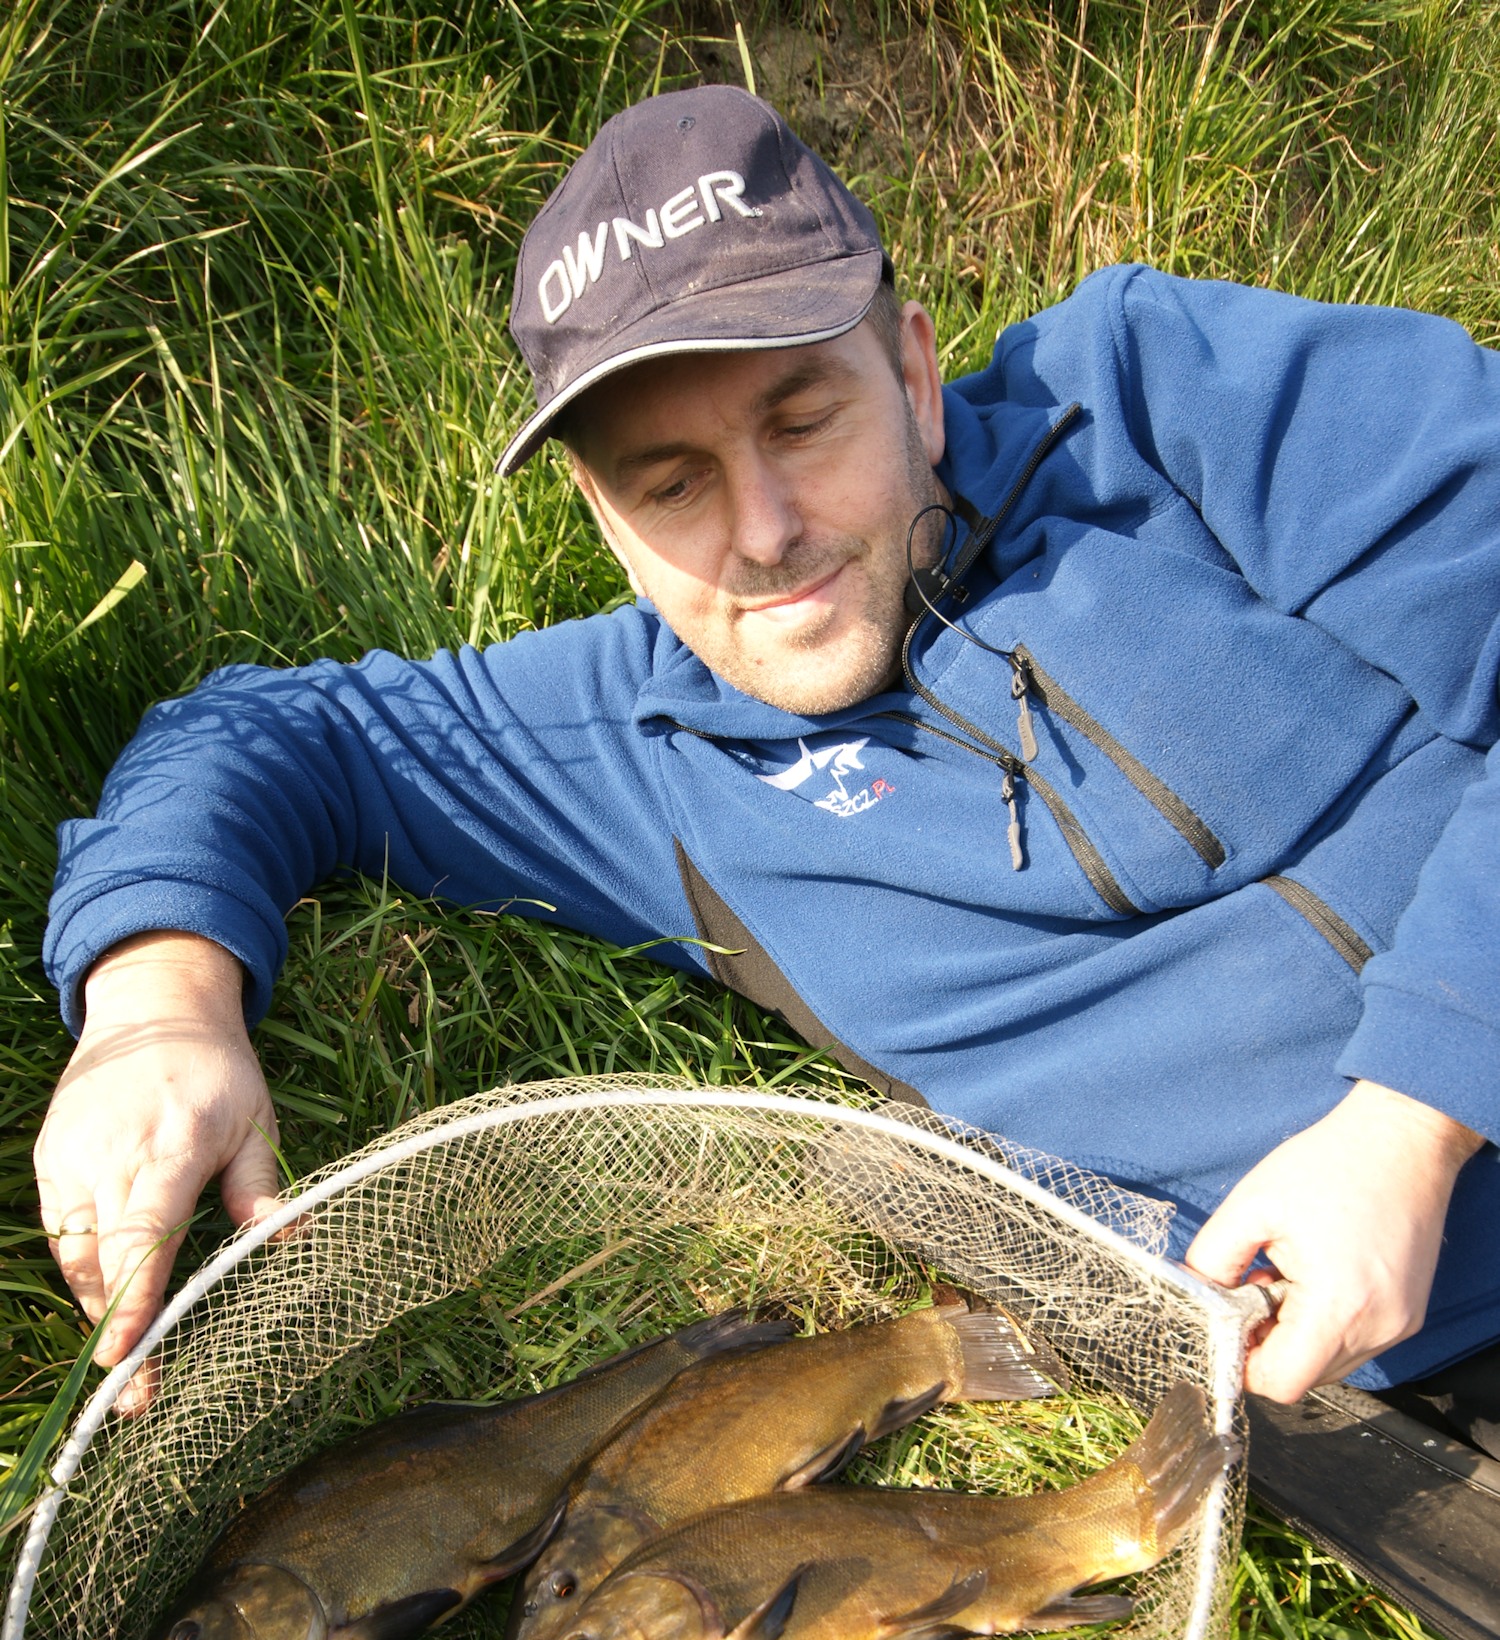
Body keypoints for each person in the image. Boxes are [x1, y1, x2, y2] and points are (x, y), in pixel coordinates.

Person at [33, 86, 1500, 1441]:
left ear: (914, 376)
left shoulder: (1146, 392)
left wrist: (1413, 1118)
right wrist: (155, 1005)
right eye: (671, 483)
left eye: (803, 419)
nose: (765, 529)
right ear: (604, 521)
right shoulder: (648, 749)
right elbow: (268, 733)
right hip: (1421, 1388)